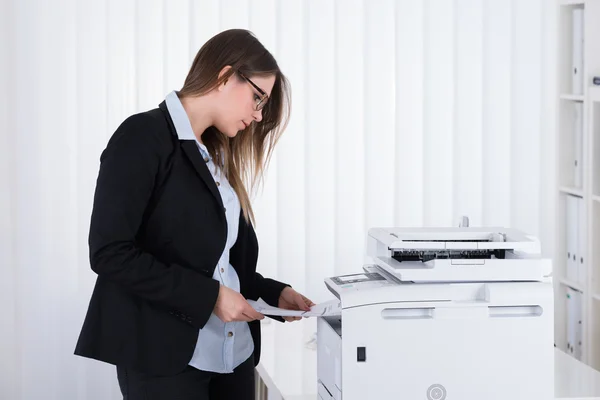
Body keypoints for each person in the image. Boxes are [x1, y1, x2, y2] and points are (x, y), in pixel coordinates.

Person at [74, 28, 314, 400]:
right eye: (257, 98)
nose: (257, 113)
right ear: (224, 75)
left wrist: (273, 293)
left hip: (232, 357)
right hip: (165, 361)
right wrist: (210, 298)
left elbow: (216, 264)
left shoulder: (215, 156)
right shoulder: (143, 136)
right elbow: (109, 252)